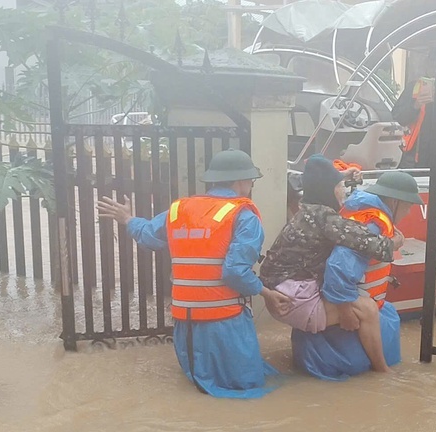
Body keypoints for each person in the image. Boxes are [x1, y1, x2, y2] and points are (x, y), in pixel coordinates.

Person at [97, 149, 291, 399]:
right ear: (241, 181)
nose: (251, 185)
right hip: (225, 322)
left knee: (199, 386)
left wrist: (128, 218)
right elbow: (234, 272)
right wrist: (266, 294)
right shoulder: (243, 216)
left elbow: (148, 236)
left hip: (185, 323)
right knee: (246, 387)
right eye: (251, 180)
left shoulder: (179, 210)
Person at [260, 154, 405, 372]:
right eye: (339, 186)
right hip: (294, 299)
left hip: (279, 292)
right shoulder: (325, 219)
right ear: (327, 190)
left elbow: (317, 165)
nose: (342, 191)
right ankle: (382, 372)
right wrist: (395, 242)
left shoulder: (305, 212)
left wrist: (343, 174)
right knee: (368, 310)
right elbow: (370, 243)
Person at [291, 171, 422, 380]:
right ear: (395, 201)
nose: (407, 213)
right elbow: (338, 266)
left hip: (340, 297)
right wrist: (345, 311)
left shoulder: (360, 211)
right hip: (349, 304)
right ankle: (382, 373)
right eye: (408, 206)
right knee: (370, 313)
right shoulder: (373, 224)